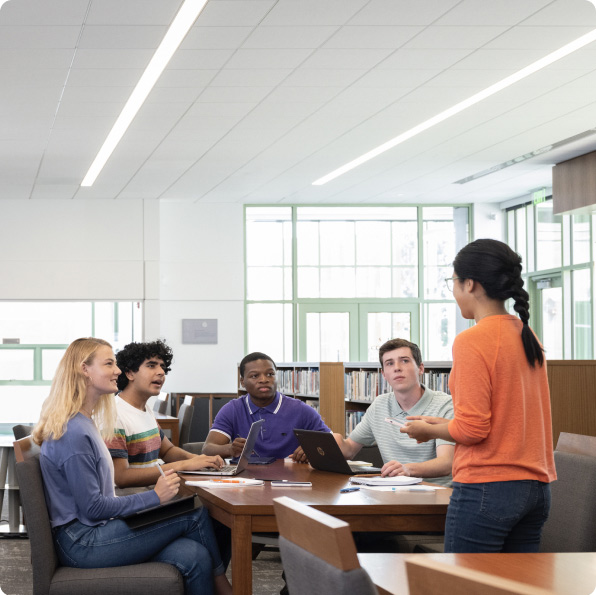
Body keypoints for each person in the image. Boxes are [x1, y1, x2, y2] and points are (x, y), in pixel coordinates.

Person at [32, 338, 231, 595]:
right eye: (109, 363)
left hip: (97, 530)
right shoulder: (73, 432)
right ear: (84, 370)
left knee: (195, 555)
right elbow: (93, 509)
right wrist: (156, 496)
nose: (117, 370)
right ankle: (225, 589)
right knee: (194, 513)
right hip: (83, 542)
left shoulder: (85, 421)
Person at [402, 239, 556, 553]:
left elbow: (473, 430)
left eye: (454, 283)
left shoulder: (472, 340)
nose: (455, 292)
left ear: (470, 284)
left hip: (488, 485)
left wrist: (428, 430)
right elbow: (506, 417)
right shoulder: (528, 335)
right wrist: (442, 423)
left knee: (463, 585)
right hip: (536, 487)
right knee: (516, 587)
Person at [334, 338, 454, 486]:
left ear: (420, 368)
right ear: (384, 374)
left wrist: (407, 469)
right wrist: (334, 443)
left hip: (436, 496)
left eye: (404, 361)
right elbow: (349, 450)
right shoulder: (379, 404)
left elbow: (446, 463)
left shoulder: (445, 405)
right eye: (390, 363)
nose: (397, 368)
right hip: (393, 492)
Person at [105, 339, 223, 488]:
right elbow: (121, 477)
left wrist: (200, 459)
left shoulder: (145, 409)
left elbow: (167, 451)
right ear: (129, 373)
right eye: (151, 365)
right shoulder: (115, 415)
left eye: (162, 367)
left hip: (156, 494)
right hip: (136, 503)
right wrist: (184, 465)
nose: (161, 372)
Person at [202, 352, 331, 462]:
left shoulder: (300, 409)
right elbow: (208, 448)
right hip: (245, 481)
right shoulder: (232, 409)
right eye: (254, 376)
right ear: (242, 382)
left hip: (291, 481)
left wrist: (312, 449)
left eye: (270, 374)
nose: (264, 380)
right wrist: (230, 449)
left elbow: (331, 443)